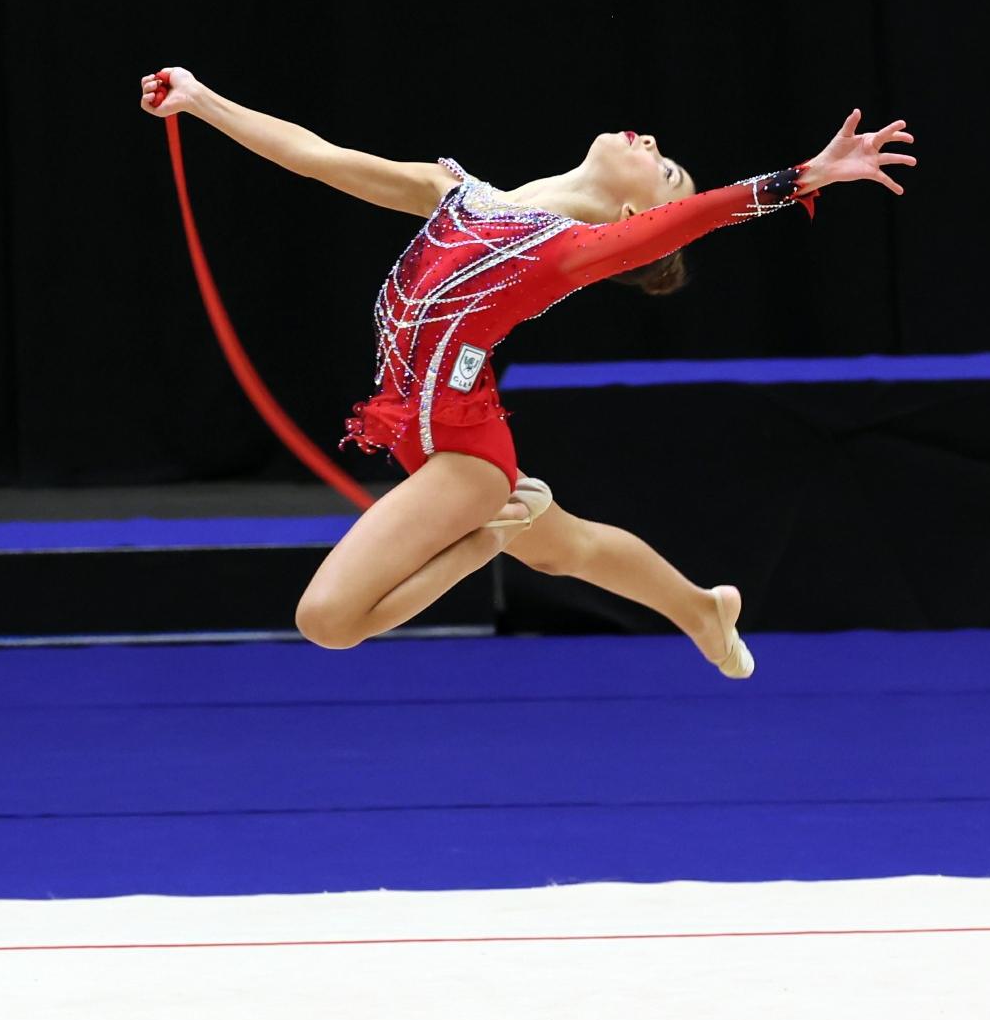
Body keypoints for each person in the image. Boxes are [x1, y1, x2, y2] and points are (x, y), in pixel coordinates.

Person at [140, 67, 915, 677]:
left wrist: (803, 177)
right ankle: (701, 609)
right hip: (422, 439)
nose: (652, 143)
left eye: (665, 168)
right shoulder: (454, 194)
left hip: (463, 457)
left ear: (634, 221)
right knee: (567, 550)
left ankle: (491, 532)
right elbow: (316, 158)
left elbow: (699, 214)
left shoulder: (569, 250)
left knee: (328, 622)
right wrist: (201, 100)